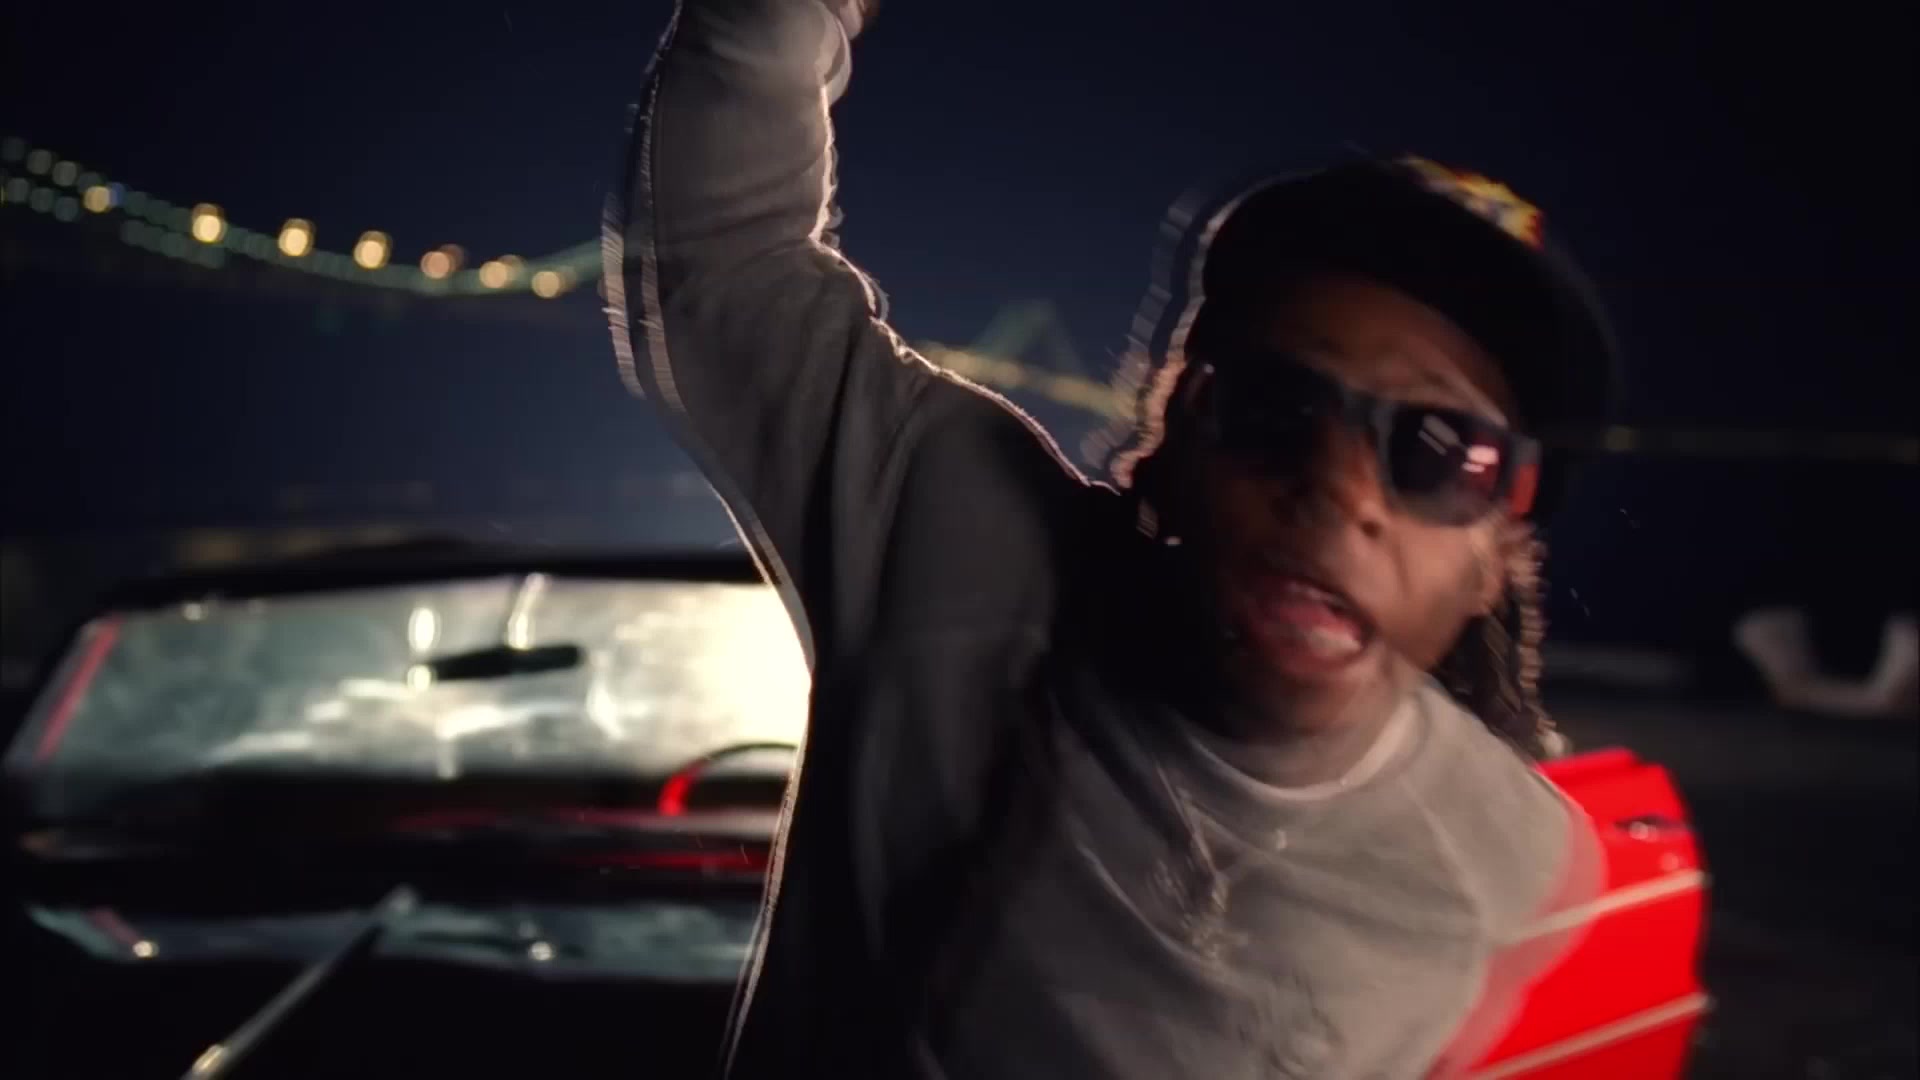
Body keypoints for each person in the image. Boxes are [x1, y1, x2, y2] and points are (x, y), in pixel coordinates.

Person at [604, 1, 1614, 1076]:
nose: (1340, 490)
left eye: (1441, 452)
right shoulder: (949, 537)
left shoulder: (1523, 875)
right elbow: (726, 271)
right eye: (1277, 407)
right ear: (1175, 437)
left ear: (1496, 559)